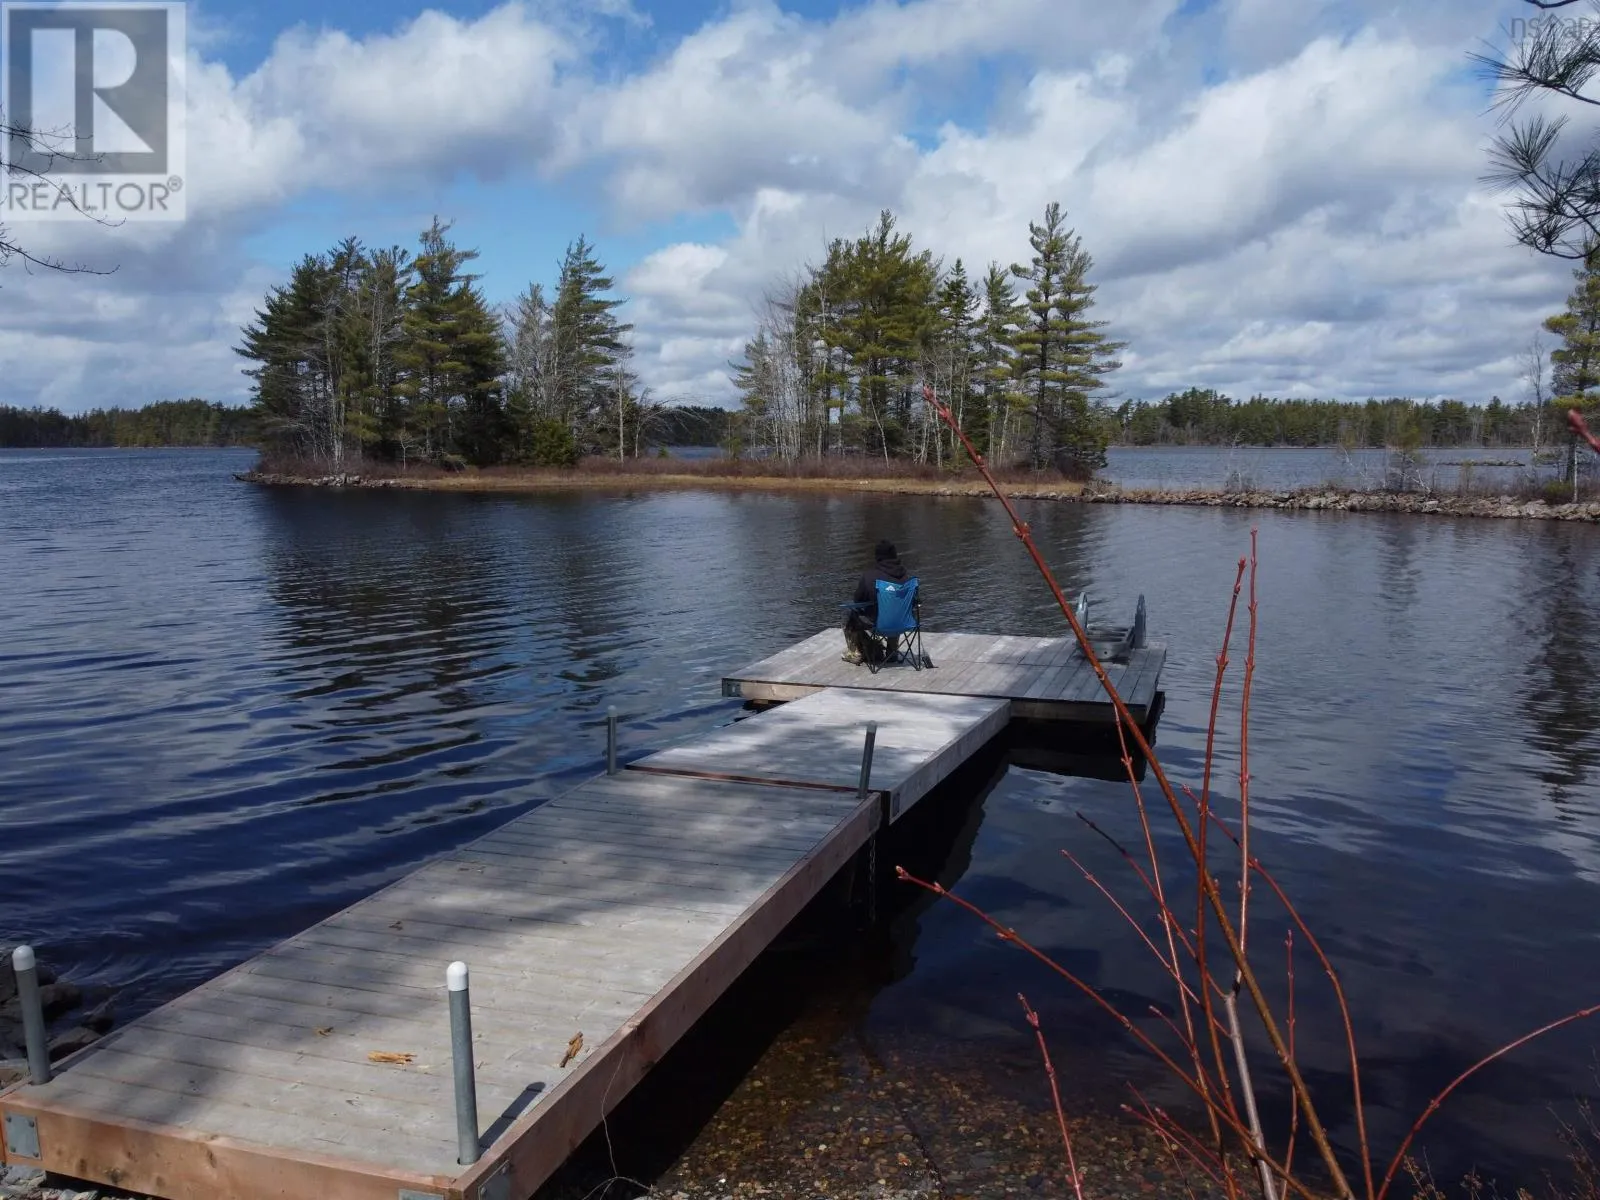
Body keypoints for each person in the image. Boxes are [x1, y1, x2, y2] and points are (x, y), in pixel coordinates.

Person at [842, 539, 917, 665]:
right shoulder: (906, 577)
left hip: (878, 625)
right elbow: (914, 601)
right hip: (904, 623)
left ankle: (856, 652)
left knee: (848, 611)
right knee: (896, 609)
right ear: (894, 555)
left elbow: (857, 600)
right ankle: (892, 652)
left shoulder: (870, 576)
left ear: (877, 557)